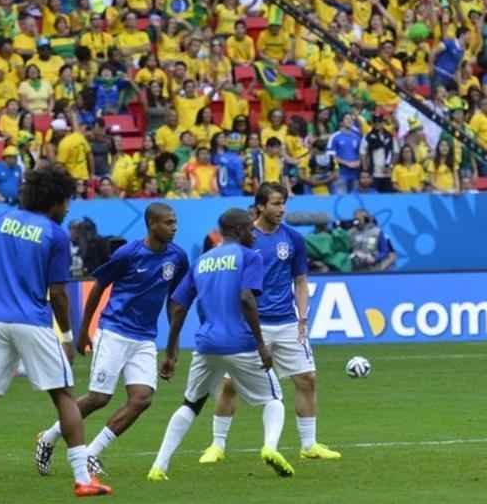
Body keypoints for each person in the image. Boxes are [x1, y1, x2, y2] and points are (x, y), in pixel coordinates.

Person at [0, 165, 110, 502]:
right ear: (54, 200)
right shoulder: (54, 234)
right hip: (33, 322)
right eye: (66, 202)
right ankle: (82, 478)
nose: (67, 209)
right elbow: (59, 293)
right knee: (63, 396)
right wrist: (66, 335)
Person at [34, 203, 188, 477]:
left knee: (141, 399)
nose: (174, 227)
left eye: (175, 222)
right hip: (115, 330)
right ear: (152, 224)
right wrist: (83, 331)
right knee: (99, 397)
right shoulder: (129, 253)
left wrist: (172, 350)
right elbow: (98, 286)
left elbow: (174, 302)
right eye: (168, 223)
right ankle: (49, 436)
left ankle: (92, 452)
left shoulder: (177, 257)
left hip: (144, 338)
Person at [147, 208, 294, 479]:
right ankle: (270, 448)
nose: (253, 234)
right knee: (274, 400)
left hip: (206, 345)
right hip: (241, 343)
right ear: (238, 231)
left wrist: (170, 352)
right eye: (250, 229)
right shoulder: (250, 257)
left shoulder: (201, 261)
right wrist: (261, 345)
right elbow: (247, 298)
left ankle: (159, 465)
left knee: (190, 404)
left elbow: (178, 307)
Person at [200, 183, 340, 463]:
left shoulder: (293, 240)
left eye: (284, 203)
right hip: (251, 324)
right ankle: (217, 446)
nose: (282, 209)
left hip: (287, 322)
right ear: (260, 206)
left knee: (307, 379)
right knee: (230, 383)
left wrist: (303, 316)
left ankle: (309, 445)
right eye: (276, 203)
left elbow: (300, 281)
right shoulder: (242, 239)